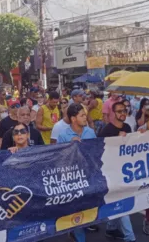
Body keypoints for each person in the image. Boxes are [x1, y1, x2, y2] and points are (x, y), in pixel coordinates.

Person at [56, 103, 97, 242]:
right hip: (71, 178)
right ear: (74, 119)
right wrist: (70, 146)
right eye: (82, 115)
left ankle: (76, 231)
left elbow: (96, 153)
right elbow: (58, 158)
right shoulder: (63, 135)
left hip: (88, 175)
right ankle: (80, 237)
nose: (86, 117)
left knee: (87, 207)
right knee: (76, 209)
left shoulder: (90, 132)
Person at [96, 102, 135, 241]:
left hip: (125, 170)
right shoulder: (106, 130)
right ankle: (130, 237)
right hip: (111, 172)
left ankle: (111, 228)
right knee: (122, 202)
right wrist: (116, 140)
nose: (122, 113)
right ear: (113, 113)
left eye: (124, 110)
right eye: (119, 111)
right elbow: (98, 150)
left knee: (117, 201)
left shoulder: (128, 127)